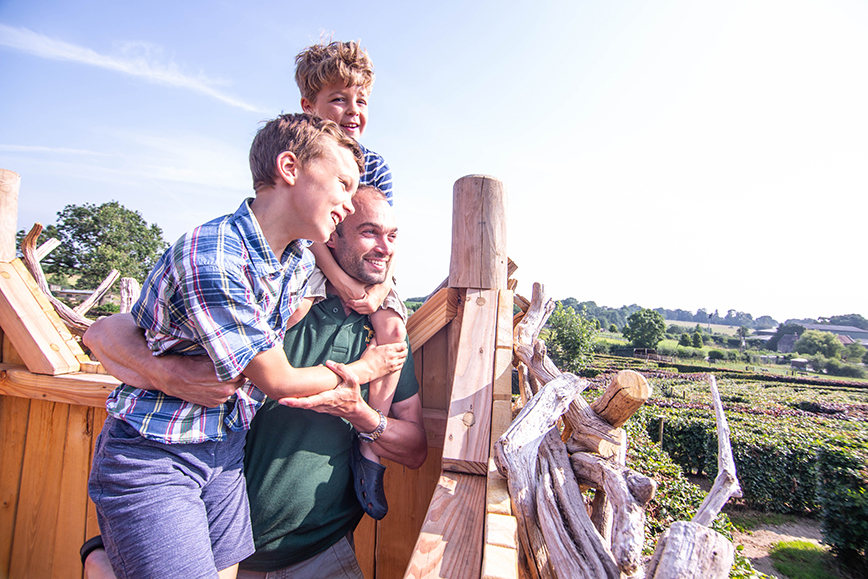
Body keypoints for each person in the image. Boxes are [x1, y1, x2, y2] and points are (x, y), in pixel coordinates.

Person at [86, 115, 408, 579]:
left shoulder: (292, 259)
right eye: (341, 183)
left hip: (223, 451)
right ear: (289, 167)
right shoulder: (215, 256)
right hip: (158, 452)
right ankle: (103, 562)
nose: (347, 200)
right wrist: (366, 365)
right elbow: (279, 381)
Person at [295, 39, 406, 519]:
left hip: (361, 259)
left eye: (360, 101)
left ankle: (370, 442)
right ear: (309, 106)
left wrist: (381, 288)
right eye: (338, 99)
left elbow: (382, 225)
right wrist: (339, 279)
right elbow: (312, 233)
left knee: (394, 330)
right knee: (294, 313)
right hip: (312, 254)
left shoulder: (373, 162)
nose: (352, 111)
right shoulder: (297, 152)